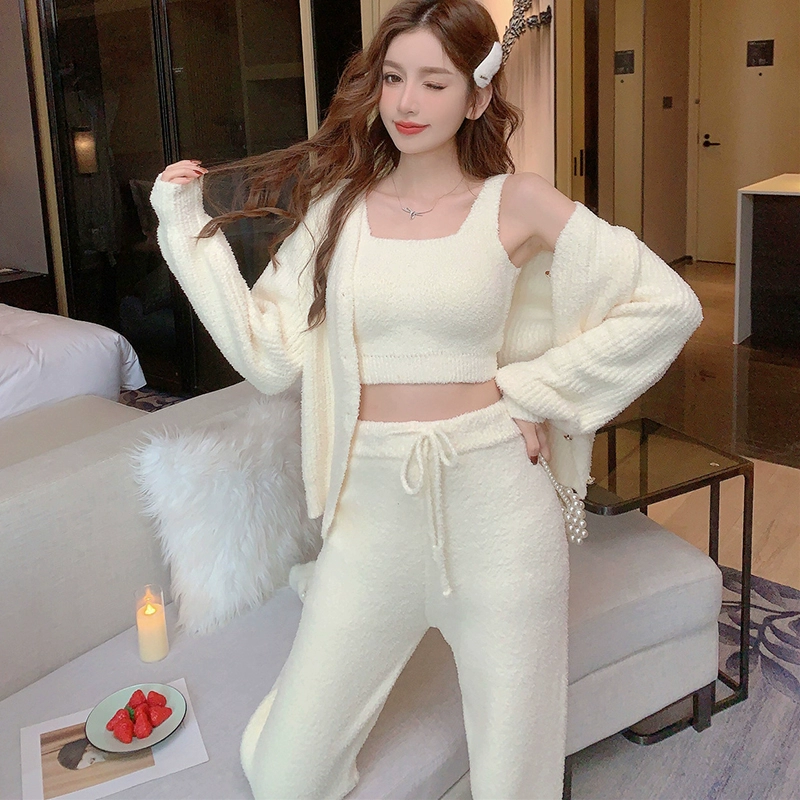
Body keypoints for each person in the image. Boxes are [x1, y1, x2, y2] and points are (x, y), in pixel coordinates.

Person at [150, 0, 702, 797]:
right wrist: (183, 230)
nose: (407, 103)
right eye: (394, 78)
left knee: (516, 778)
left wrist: (533, 391)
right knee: (284, 776)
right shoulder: (339, 210)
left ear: (477, 97)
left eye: (434, 83)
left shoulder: (515, 201)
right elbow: (269, 358)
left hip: (498, 515)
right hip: (370, 520)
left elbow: (666, 304)